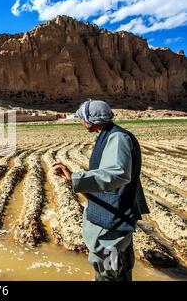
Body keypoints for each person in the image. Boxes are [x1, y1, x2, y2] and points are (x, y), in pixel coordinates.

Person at [52, 100, 150, 281]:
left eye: (81, 118)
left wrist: (74, 178)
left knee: (108, 268)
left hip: (114, 217)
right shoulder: (107, 135)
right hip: (112, 211)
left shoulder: (118, 138)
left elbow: (118, 173)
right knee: (120, 264)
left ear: (90, 120)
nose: (81, 122)